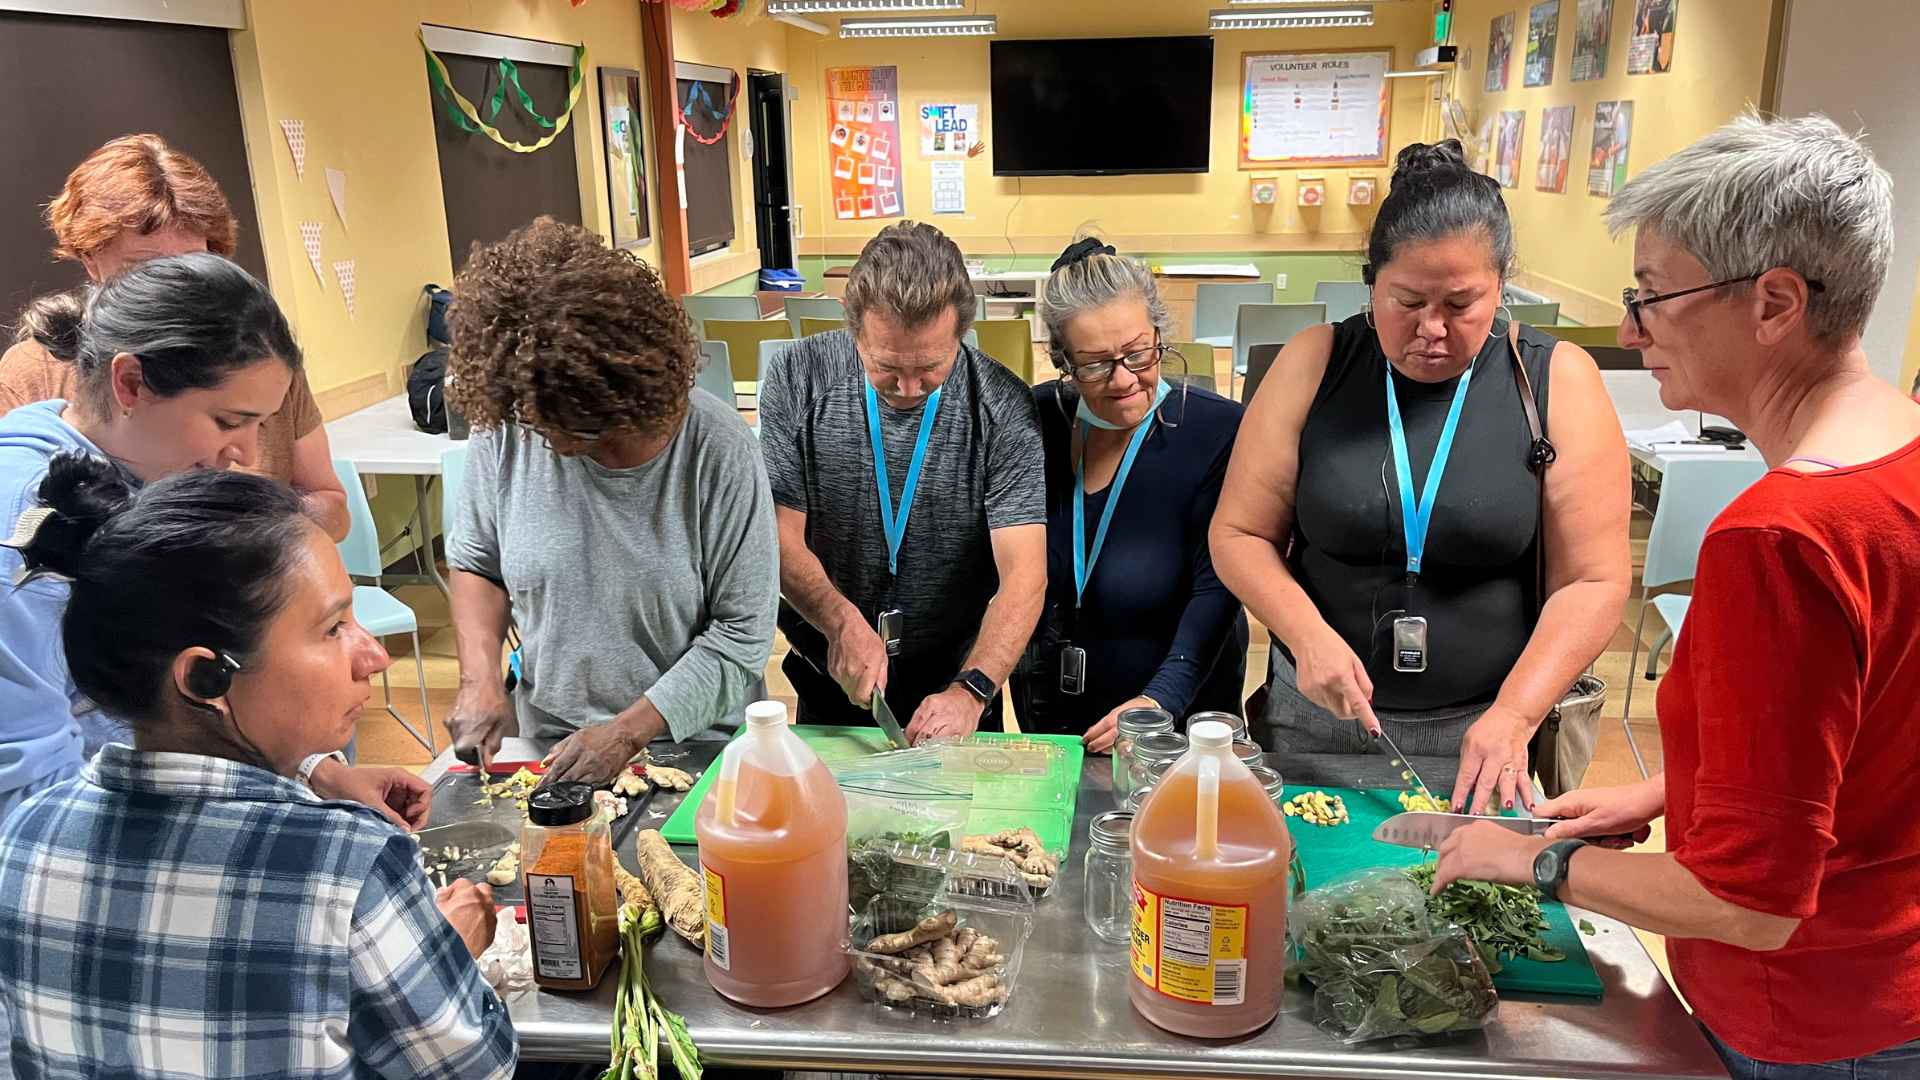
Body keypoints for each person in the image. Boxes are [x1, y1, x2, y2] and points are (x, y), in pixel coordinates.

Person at [1434, 114, 1920, 1078]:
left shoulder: (1780, 538)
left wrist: (1532, 860)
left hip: (1814, 1024)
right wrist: (1679, 787)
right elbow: (1869, 742)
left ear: (1776, 301)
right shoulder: (1901, 452)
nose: (1627, 330)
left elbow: (1751, 906)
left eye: (1653, 296)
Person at [0, 458, 514, 1079]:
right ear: (204, 676)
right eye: (333, 628)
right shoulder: (350, 863)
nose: (374, 655)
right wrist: (450, 955)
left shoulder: (23, 836)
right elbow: (472, 1068)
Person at [1210, 139, 1631, 812]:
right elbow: (1238, 534)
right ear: (1371, 281)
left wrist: (1518, 714)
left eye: (1462, 304)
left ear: (1502, 286)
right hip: (1320, 720)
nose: (1432, 330)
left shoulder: (1556, 379)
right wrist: (1306, 634)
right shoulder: (1315, 363)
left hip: (1489, 731)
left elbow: (1594, 579)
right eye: (1406, 301)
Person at [0, 253, 430, 828]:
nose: (247, 454)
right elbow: (28, 804)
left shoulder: (142, 477)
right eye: (229, 422)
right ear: (129, 383)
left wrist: (318, 775)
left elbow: (201, 707)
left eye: (260, 424)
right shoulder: (28, 532)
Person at [442, 218, 777, 785]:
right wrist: (479, 676)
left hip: (695, 748)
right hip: (552, 738)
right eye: (601, 435)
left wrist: (626, 732)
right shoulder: (506, 432)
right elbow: (478, 562)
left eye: (659, 419)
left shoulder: (721, 450)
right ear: (545, 423)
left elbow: (742, 637)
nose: (643, 446)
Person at [759, 220, 1046, 743]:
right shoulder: (797, 377)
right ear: (854, 327)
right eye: (886, 365)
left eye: (932, 366)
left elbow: (1024, 575)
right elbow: (778, 537)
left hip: (959, 678)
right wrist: (840, 622)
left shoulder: (1003, 406)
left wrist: (972, 691)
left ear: (961, 332)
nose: (909, 388)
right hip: (834, 664)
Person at [0, 134, 348, 540]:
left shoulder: (257, 360)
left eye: (193, 266)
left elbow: (333, 507)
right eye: (147, 269)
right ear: (90, 259)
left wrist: (256, 518)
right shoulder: (32, 378)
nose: (177, 292)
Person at [1013, 237, 1247, 748]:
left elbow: (1219, 589)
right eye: (1095, 364)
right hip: (1055, 720)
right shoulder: (1037, 421)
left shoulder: (1217, 432)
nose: (1124, 380)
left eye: (1139, 353)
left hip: (1175, 723)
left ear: (1159, 333)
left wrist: (1160, 701)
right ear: (1063, 360)